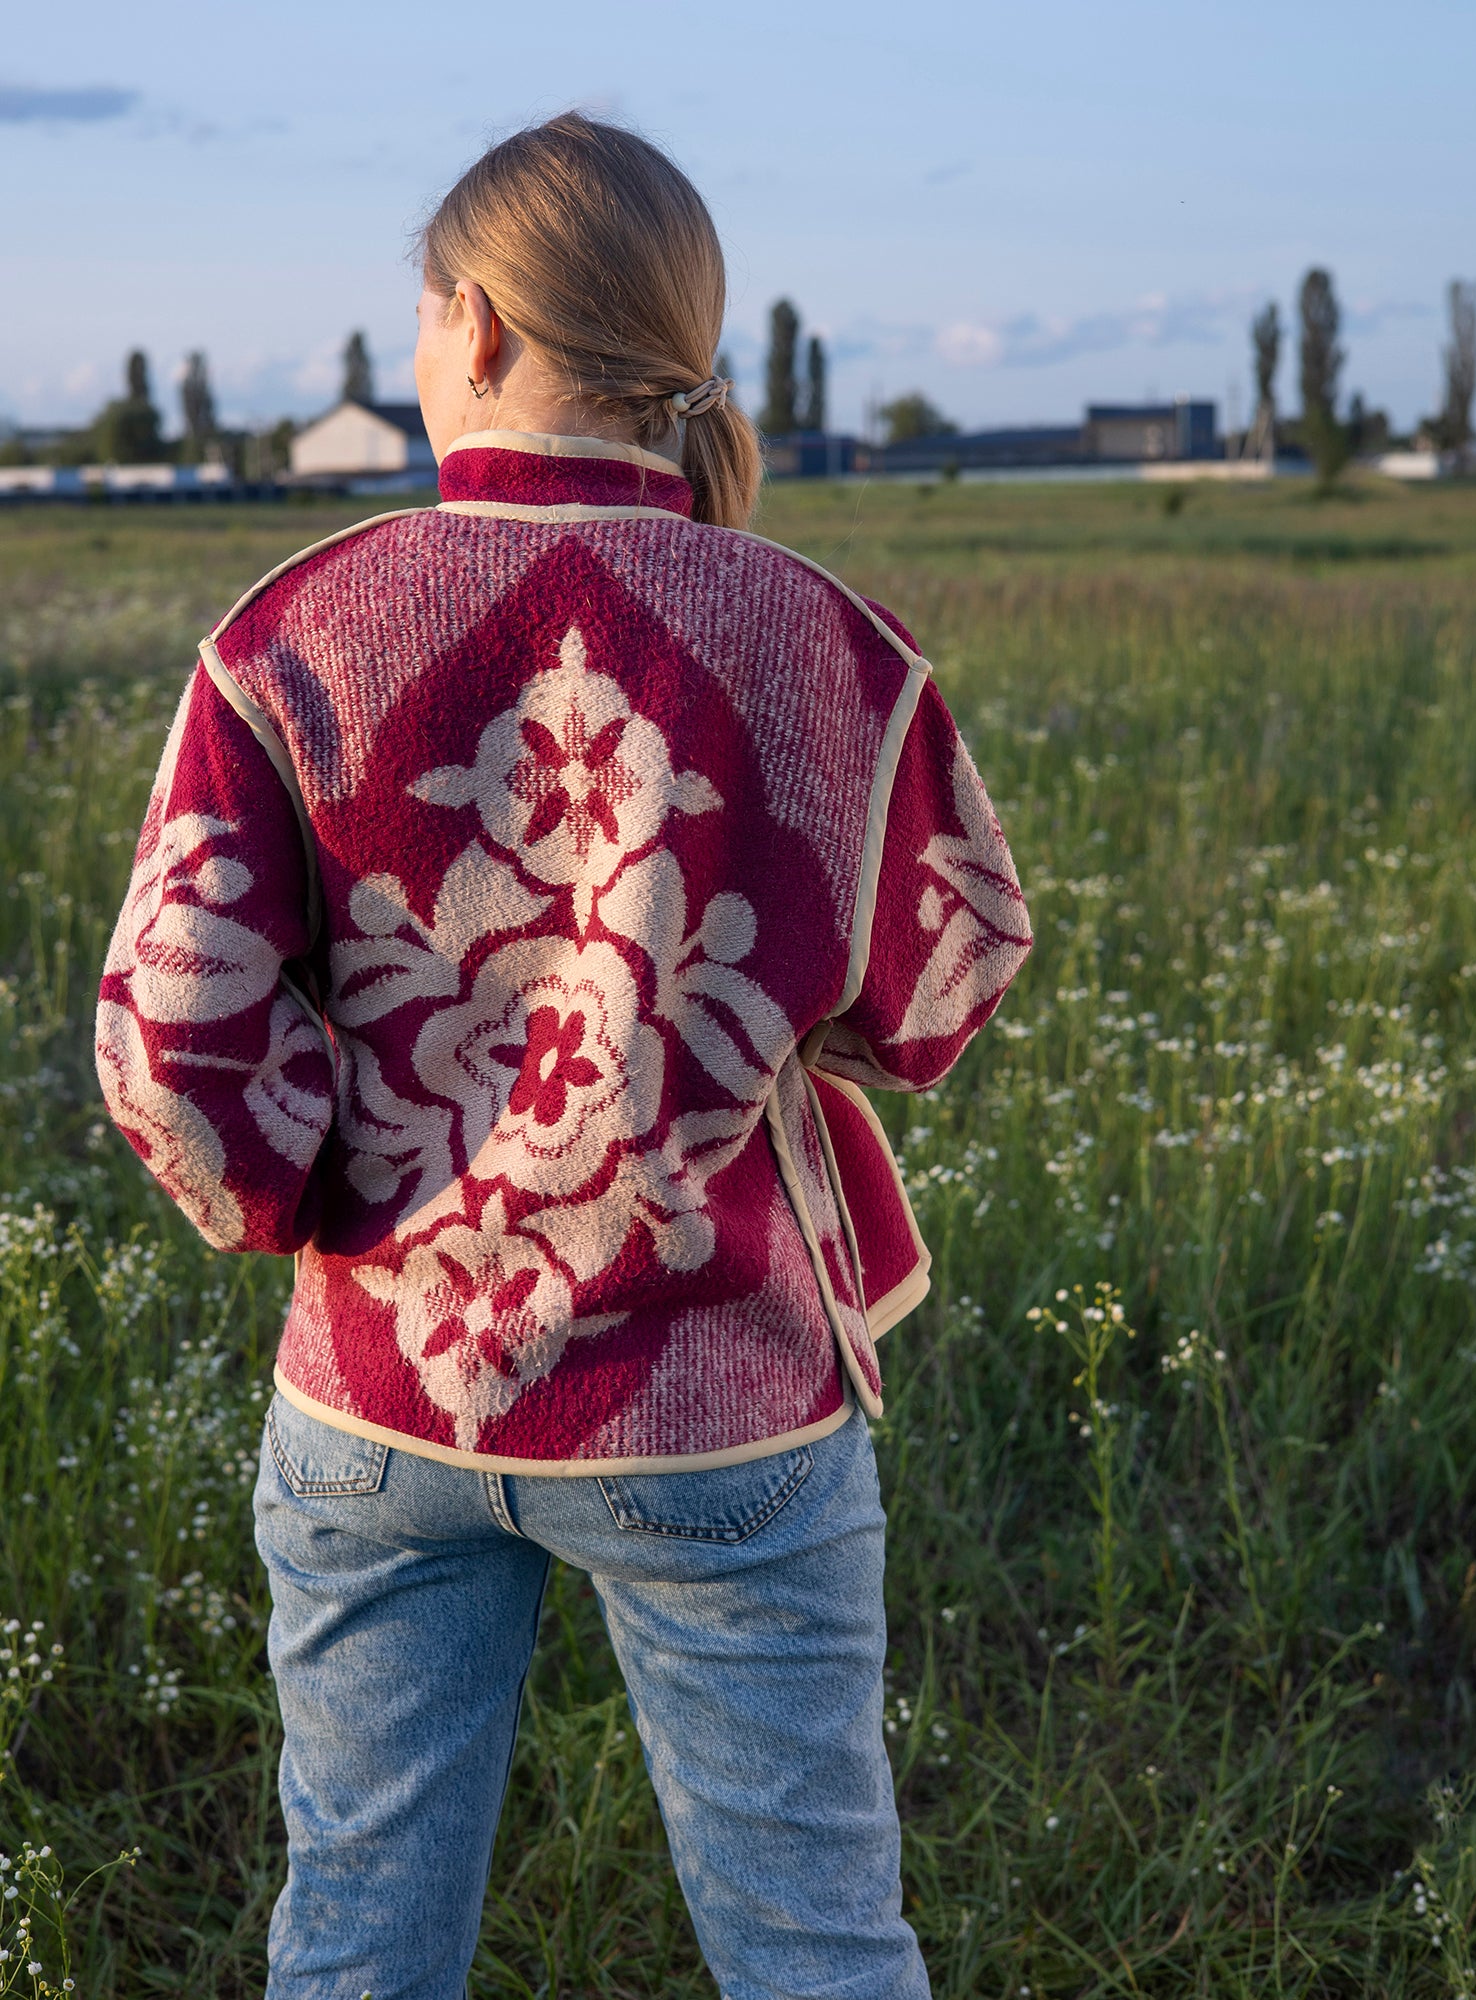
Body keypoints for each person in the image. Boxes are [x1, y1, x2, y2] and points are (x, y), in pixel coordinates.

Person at [96, 112, 1031, 2000]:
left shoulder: (290, 632)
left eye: (427, 322)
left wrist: (307, 1194)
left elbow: (171, 1041)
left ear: (477, 323)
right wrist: (748, 1017)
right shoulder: (830, 642)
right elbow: (949, 979)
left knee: (354, 1942)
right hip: (727, 1411)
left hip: (379, 1397)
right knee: (817, 1949)